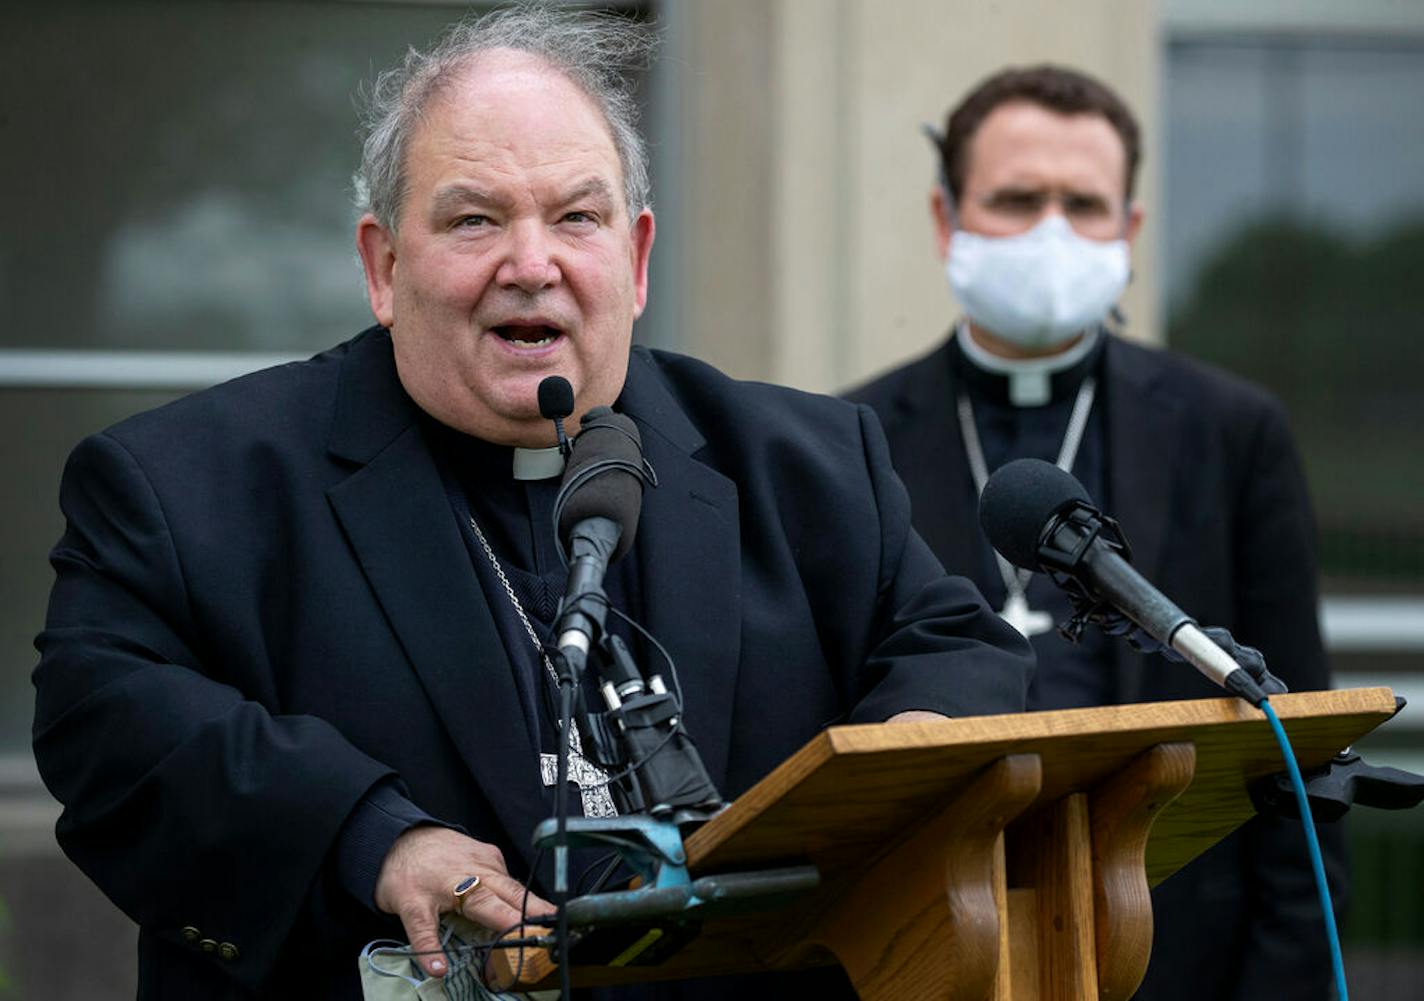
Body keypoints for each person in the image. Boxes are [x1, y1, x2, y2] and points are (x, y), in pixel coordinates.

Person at [30, 7, 1033, 1000]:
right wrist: (368, 833)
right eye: (475, 218)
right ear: (382, 265)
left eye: (575, 216)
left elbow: (956, 644)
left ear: (635, 259)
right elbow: (107, 715)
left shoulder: (804, 461)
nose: (530, 262)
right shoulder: (186, 484)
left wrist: (869, 794)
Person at [847, 65, 1344, 1000]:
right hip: (931, 950)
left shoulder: (1232, 431)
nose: (1051, 231)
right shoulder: (849, 438)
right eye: (1016, 199)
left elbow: (1299, 750)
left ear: (1132, 228)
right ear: (946, 219)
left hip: (1180, 955)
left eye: (1084, 203)